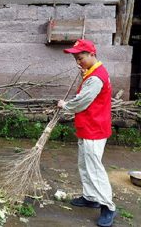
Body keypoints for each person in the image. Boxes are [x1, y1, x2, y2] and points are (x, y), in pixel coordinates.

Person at [57, 39, 116, 227]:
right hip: (88, 126)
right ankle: (91, 197)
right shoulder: (92, 73)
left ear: (92, 54)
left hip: (94, 128)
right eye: (75, 58)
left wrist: (65, 105)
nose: (78, 62)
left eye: (80, 57)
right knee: (84, 164)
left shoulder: (96, 77)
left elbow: (82, 102)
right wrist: (84, 73)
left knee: (94, 169)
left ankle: (108, 206)